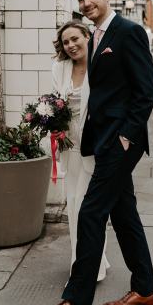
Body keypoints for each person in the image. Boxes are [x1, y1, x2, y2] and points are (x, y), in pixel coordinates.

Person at [32, 0, 153, 305]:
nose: (86, 4)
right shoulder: (97, 37)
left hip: (120, 143)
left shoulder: (128, 32)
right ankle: (144, 289)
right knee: (124, 216)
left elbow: (145, 91)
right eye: (81, 0)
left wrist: (127, 137)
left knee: (90, 214)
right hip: (101, 142)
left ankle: (74, 302)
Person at [52, 20, 110, 282]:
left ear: (87, 36)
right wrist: (51, 121)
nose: (71, 45)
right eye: (66, 42)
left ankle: (89, 267)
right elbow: (55, 102)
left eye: (75, 38)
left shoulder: (101, 64)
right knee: (73, 203)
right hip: (69, 145)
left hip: (95, 146)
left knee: (88, 206)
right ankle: (89, 259)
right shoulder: (60, 67)